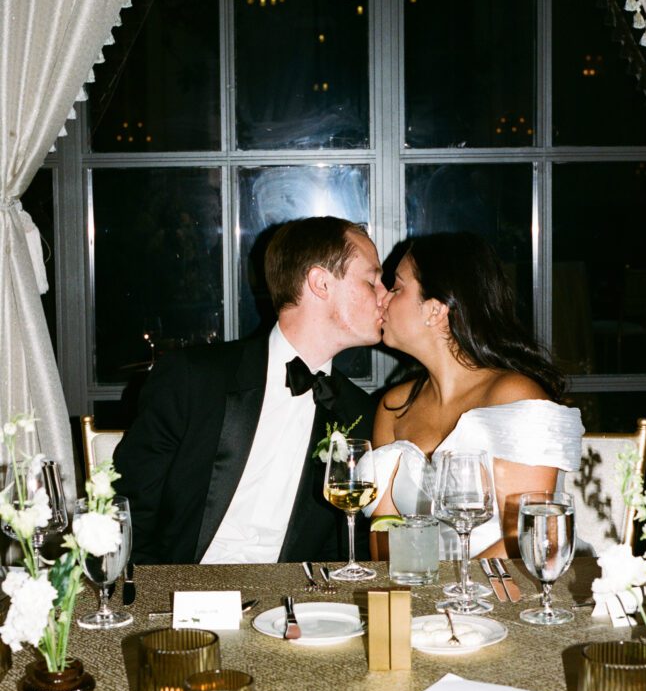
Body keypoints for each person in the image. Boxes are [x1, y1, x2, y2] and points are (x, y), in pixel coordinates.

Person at [115, 217, 386, 564]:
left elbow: (343, 549)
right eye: (372, 281)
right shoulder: (193, 380)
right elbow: (128, 513)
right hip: (182, 588)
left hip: (290, 595)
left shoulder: (357, 413)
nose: (385, 296)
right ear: (321, 283)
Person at [370, 232, 583, 558]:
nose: (382, 299)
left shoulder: (515, 398)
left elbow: (528, 537)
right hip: (418, 587)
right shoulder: (393, 407)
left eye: (396, 288)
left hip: (502, 585)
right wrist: (401, 585)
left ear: (435, 310)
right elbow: (383, 527)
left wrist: (452, 585)